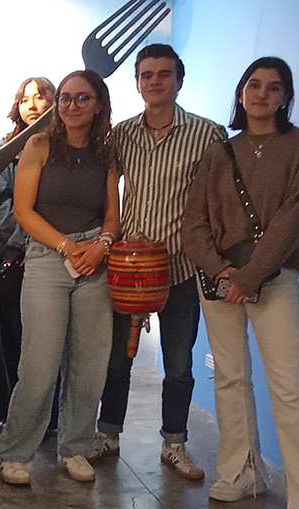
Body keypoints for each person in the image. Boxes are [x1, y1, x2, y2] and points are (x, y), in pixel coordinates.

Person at [181, 57, 299, 509]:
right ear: (241, 92)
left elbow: (295, 219)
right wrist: (220, 269)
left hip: (271, 279)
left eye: (273, 87)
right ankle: (242, 473)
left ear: (286, 96)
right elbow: (193, 222)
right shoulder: (219, 153)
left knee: (288, 386)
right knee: (229, 377)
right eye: (254, 85)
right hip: (220, 279)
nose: (262, 94)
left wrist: (249, 276)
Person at [94, 44, 226, 480]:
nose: (154, 81)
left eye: (163, 74)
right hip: (128, 268)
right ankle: (108, 434)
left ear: (179, 80)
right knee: (117, 360)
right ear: (137, 83)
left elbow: (218, 201)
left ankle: (175, 444)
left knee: (179, 364)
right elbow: (105, 190)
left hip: (181, 267)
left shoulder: (207, 135)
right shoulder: (121, 135)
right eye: (146, 74)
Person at [0, 70, 120, 485]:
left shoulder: (105, 151)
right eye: (65, 98)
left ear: (98, 104)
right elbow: (23, 211)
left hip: (95, 260)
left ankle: (75, 448)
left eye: (82, 98)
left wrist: (102, 244)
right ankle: (14, 453)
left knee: (89, 366)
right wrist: (68, 247)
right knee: (40, 364)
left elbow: (112, 214)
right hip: (49, 258)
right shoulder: (39, 145)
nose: (71, 105)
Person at [0, 77, 56, 424]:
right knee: (12, 340)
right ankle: (14, 417)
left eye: (40, 97)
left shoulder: (65, 148)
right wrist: (30, 238)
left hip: (57, 257)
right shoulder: (5, 150)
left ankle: (50, 419)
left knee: (50, 343)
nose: (32, 105)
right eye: (25, 99)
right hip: (12, 260)